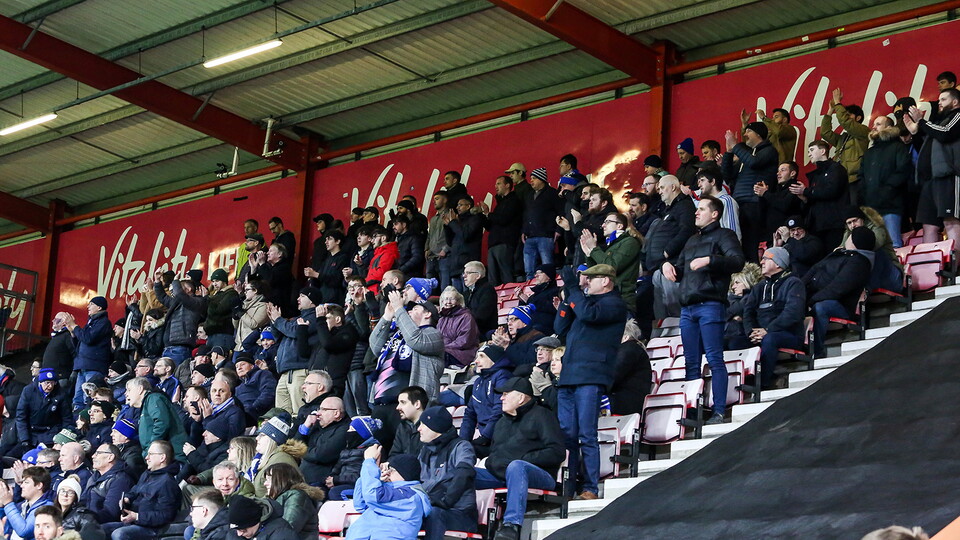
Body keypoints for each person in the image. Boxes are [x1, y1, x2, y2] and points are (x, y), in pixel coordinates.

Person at [663, 196, 745, 424]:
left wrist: (710, 259)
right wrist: (669, 266)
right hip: (688, 308)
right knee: (690, 362)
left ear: (715, 213)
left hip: (710, 304)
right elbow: (682, 269)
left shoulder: (725, 235)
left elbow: (738, 261)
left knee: (714, 358)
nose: (696, 213)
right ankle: (692, 412)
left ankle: (719, 410)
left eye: (701, 209)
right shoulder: (691, 240)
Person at [553, 263, 628, 498]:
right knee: (568, 435)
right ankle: (569, 484)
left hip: (591, 375)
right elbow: (560, 327)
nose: (587, 283)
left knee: (587, 433)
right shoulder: (585, 303)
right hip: (569, 377)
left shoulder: (614, 304)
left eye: (591, 279)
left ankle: (590, 487)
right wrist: (567, 297)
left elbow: (588, 314)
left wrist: (575, 289)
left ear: (605, 281)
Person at [474, 377, 564, 540]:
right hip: (501, 475)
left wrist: (525, 459)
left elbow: (557, 451)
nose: (501, 398)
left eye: (506, 394)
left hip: (539, 475)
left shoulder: (542, 415)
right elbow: (495, 451)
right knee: (462, 472)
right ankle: (461, 522)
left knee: (516, 467)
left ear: (521, 398)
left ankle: (511, 526)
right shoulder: (501, 422)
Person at [368, 289, 444, 446]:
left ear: (427, 314)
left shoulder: (433, 335)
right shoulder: (399, 335)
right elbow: (375, 346)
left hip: (410, 406)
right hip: (383, 402)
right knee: (381, 451)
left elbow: (415, 339)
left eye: (414, 308)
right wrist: (387, 316)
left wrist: (399, 308)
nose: (408, 311)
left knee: (405, 451)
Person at [741, 247, 807, 390]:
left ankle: (763, 384)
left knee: (770, 339)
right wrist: (751, 333)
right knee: (734, 341)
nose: (762, 262)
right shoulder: (759, 287)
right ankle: (741, 384)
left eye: (766, 258)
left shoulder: (794, 283)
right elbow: (748, 312)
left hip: (789, 335)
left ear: (778, 263)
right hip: (761, 334)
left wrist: (767, 330)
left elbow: (792, 313)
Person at [804, 226, 874, 358]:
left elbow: (838, 288)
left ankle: (816, 351)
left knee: (821, 308)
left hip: (842, 306)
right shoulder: (840, 253)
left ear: (854, 241)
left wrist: (811, 301)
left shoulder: (859, 262)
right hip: (816, 295)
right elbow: (815, 268)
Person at [904, 87, 960, 243]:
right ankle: (931, 266)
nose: (939, 103)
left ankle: (955, 266)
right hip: (930, 180)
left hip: (948, 176)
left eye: (944, 99)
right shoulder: (938, 122)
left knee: (951, 221)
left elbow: (945, 133)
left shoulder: (957, 115)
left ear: (955, 102)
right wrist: (916, 133)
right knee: (928, 225)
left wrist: (921, 122)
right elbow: (926, 145)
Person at [345, 446, 431, 540]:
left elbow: (373, 496)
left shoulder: (410, 496)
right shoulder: (386, 490)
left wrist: (369, 462)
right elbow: (360, 505)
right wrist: (373, 474)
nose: (387, 472)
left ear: (404, 474)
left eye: (391, 469)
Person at [416, 407, 476, 540]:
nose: (418, 429)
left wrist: (445, 501)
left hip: (460, 514)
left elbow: (464, 474)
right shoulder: (425, 451)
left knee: (435, 513)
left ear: (435, 427)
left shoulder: (461, 447)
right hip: (431, 508)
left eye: (423, 425)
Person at [723, 122, 778, 263]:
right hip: (739, 202)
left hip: (754, 203)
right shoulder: (746, 156)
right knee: (738, 243)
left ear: (758, 134)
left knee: (750, 244)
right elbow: (727, 174)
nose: (745, 134)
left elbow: (754, 162)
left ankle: (752, 276)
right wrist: (729, 153)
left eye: (748, 131)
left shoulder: (769, 150)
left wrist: (736, 146)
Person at [102, 440, 179, 540]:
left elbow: (165, 515)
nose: (146, 457)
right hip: (135, 523)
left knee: (119, 534)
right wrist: (127, 499)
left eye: (151, 454)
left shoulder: (167, 482)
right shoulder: (147, 474)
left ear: (162, 457)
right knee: (98, 530)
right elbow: (135, 490)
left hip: (153, 529)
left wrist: (137, 516)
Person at [646, 175, 696, 319]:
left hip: (673, 266)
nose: (659, 191)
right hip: (660, 266)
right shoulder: (670, 208)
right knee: (662, 310)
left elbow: (686, 230)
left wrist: (668, 252)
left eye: (662, 187)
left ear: (673, 187)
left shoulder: (685, 205)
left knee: (674, 310)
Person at [860, 114, 914, 247]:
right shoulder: (869, 152)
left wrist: (888, 188)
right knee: (875, 246)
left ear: (888, 127)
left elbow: (903, 170)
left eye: (878, 124)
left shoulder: (897, 147)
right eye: (874, 124)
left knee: (893, 244)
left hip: (891, 204)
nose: (873, 127)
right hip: (871, 206)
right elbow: (861, 175)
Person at [269, 287, 320, 415]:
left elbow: (294, 331)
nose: (298, 299)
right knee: (281, 416)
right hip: (285, 373)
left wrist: (279, 320)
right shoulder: (295, 319)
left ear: (312, 300)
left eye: (302, 296)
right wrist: (273, 320)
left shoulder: (315, 317)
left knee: (299, 413)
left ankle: (298, 436)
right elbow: (278, 337)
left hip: (299, 371)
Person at [791, 140, 850, 249]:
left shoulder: (836, 169)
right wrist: (804, 199)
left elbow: (832, 191)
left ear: (823, 151)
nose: (809, 154)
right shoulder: (816, 174)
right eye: (808, 151)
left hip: (833, 223)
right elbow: (815, 198)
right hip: (817, 225)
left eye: (812, 150)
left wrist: (806, 191)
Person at [60, 296, 112, 412]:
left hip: (94, 366)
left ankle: (87, 424)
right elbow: (80, 343)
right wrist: (72, 332)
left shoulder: (103, 322)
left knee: (88, 398)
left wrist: (74, 325)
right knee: (77, 399)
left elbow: (88, 338)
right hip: (83, 366)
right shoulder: (91, 322)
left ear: (99, 307)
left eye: (91, 304)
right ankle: (78, 423)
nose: (88, 306)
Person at [582, 212, 642, 310]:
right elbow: (597, 271)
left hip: (622, 300)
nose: (603, 225)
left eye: (608, 222)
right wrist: (589, 254)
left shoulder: (630, 242)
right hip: (608, 297)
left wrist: (594, 248)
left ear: (619, 226)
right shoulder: (612, 245)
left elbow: (610, 268)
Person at [460, 345, 510, 457]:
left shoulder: (502, 377)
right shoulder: (478, 382)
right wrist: (463, 441)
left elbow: (499, 410)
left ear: (494, 360)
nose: (476, 361)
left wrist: (485, 437)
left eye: (481, 356)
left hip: (498, 441)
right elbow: (469, 414)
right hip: (484, 439)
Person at [821, 88, 869, 204]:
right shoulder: (844, 137)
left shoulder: (864, 131)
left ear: (858, 118)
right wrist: (830, 110)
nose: (845, 117)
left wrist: (838, 103)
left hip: (855, 180)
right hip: (841, 180)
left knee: (854, 211)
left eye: (849, 115)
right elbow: (825, 133)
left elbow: (846, 123)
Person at [124, 377, 188, 462]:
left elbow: (162, 422)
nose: (126, 394)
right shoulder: (147, 403)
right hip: (161, 457)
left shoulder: (153, 398)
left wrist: (151, 449)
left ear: (140, 389)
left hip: (172, 458)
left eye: (129, 390)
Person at [154, 273, 207, 365]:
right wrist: (157, 281)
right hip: (168, 347)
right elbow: (162, 297)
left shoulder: (197, 302)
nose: (175, 290)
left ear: (189, 289)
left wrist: (175, 281)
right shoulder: (178, 302)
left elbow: (179, 294)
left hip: (181, 348)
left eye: (180, 286)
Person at [296, 396, 349, 486]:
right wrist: (305, 427)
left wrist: (300, 451)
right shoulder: (316, 425)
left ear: (336, 413)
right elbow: (293, 446)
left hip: (320, 483)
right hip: (303, 480)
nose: (318, 413)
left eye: (323, 410)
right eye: (319, 409)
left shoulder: (345, 430)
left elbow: (321, 455)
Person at [262, 463, 324, 539]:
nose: (265, 484)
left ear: (283, 480)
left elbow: (287, 530)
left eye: (269, 479)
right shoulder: (274, 500)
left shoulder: (297, 497)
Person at [481, 175, 523, 286]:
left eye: (499, 183)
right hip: (494, 244)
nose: (496, 186)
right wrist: (484, 215)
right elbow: (490, 226)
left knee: (506, 276)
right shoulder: (500, 204)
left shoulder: (513, 200)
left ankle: (510, 300)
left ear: (508, 185)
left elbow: (504, 219)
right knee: (493, 279)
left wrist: (488, 214)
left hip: (505, 242)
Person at [521, 167, 562, 279]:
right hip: (530, 236)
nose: (531, 181)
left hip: (546, 235)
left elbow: (560, 212)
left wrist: (558, 230)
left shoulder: (553, 193)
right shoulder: (529, 195)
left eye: (534, 178)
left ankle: (549, 289)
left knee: (547, 267)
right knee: (529, 270)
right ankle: (529, 293)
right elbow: (526, 214)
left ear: (541, 179)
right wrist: (524, 230)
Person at [17, 368, 71, 449]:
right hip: (31, 432)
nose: (50, 386)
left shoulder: (61, 394)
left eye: (53, 383)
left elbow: (67, 418)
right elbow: (21, 416)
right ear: (40, 382)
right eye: (47, 383)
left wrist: (61, 439)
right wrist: (24, 439)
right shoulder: (28, 391)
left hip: (51, 433)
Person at [84, 443, 135, 525]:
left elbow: (111, 513)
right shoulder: (93, 477)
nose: (93, 456)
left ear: (110, 457)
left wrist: (86, 519)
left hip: (101, 526)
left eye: (98, 453)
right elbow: (82, 501)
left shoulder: (120, 480)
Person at [609, 320, 652, 416]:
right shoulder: (634, 349)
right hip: (628, 401)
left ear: (625, 337)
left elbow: (614, 375)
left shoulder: (629, 349)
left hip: (624, 403)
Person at [0, 466, 54, 540]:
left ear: (39, 485)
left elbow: (24, 531)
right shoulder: (22, 505)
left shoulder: (47, 508)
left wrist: (8, 503)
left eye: (26, 482)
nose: (22, 486)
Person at [444, 197, 484, 291]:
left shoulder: (475, 218)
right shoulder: (457, 221)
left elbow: (465, 235)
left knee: (467, 297)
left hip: (468, 265)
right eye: (457, 205)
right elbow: (450, 242)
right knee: (457, 299)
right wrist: (447, 227)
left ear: (468, 206)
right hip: (455, 266)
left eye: (460, 205)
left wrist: (453, 223)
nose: (457, 207)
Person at [436, 287, 479, 367]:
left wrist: (443, 347)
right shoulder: (442, 318)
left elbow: (464, 342)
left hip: (462, 354)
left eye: (452, 299)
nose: (448, 302)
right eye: (446, 299)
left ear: (458, 301)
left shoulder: (466, 317)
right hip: (445, 350)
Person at [227, 495, 297, 540]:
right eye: (236, 529)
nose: (239, 534)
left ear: (255, 522)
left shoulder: (282, 534)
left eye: (243, 530)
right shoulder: (234, 534)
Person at [234, 354, 277, 422]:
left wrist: (253, 408)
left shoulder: (262, 374)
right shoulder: (238, 388)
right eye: (236, 367)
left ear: (252, 366)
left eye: (243, 364)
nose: (239, 368)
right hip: (243, 418)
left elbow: (268, 393)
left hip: (260, 415)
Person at [425, 192, 453, 291]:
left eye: (437, 199)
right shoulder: (433, 219)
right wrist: (426, 249)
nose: (434, 201)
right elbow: (429, 235)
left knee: (445, 285)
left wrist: (445, 249)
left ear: (445, 200)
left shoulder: (451, 215)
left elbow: (454, 234)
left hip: (445, 255)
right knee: (429, 287)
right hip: (431, 255)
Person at [461, 261, 497, 336]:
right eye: (464, 273)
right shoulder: (466, 293)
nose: (464, 276)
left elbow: (481, 316)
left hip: (483, 333)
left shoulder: (488, 290)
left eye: (468, 273)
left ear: (478, 276)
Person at [390, 387, 427, 459]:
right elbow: (394, 454)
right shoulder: (402, 426)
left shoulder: (430, 426)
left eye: (403, 402)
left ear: (417, 404)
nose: (398, 407)